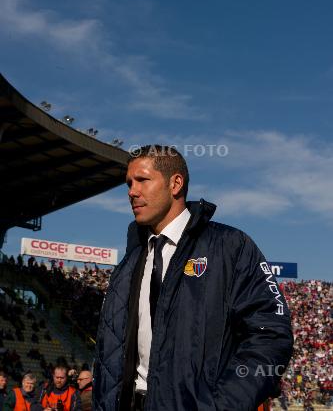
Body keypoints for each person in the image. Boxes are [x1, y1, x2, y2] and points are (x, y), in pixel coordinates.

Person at [93, 145, 294, 411]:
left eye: (142, 180)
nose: (132, 191)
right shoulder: (129, 262)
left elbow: (270, 334)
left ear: (175, 183)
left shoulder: (229, 247)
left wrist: (222, 405)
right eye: (129, 183)